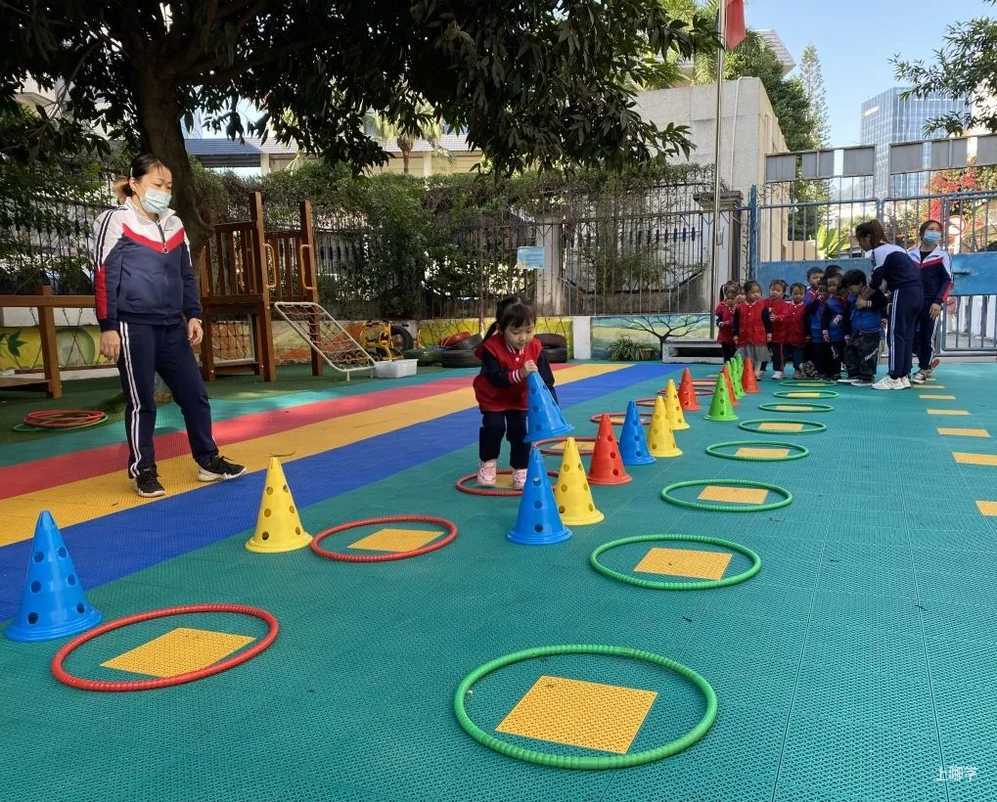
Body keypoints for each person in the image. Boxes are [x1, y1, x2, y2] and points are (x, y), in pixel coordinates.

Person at [94, 154, 245, 497]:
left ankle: (208, 460)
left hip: (171, 325)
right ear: (134, 184)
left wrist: (193, 314)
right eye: (157, 184)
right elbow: (103, 275)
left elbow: (186, 274)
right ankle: (144, 470)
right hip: (133, 325)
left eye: (168, 186)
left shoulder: (175, 224)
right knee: (141, 401)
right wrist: (108, 325)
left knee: (195, 395)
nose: (163, 191)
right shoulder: (116, 220)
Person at [472, 298, 556, 489]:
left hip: (519, 398)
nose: (523, 338)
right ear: (501, 329)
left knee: (519, 431)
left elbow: (546, 378)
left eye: (529, 331)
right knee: (494, 427)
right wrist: (521, 373)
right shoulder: (491, 348)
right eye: (516, 332)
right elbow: (495, 378)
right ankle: (488, 463)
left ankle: (521, 468)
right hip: (493, 397)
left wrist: (552, 403)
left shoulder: (535, 347)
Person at [854, 219, 923, 390]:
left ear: (867, 237)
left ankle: (893, 376)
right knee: (906, 335)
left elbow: (876, 281)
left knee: (895, 335)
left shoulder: (879, 251)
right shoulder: (896, 248)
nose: (860, 245)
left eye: (860, 240)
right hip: (917, 293)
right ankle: (903, 376)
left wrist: (862, 297)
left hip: (903, 292)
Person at [907, 220, 953, 384]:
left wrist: (938, 301)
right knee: (910, 336)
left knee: (926, 336)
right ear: (922, 233)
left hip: (931, 303)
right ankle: (907, 368)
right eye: (930, 229)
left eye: (937, 230)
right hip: (912, 302)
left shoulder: (942, 256)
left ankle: (924, 367)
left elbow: (948, 281)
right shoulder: (910, 255)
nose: (934, 232)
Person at [842, 269, 887, 386]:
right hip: (856, 330)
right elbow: (846, 314)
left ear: (860, 283)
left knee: (867, 354)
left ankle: (867, 377)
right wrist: (846, 332)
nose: (850, 290)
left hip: (870, 331)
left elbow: (883, 302)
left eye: (851, 287)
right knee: (851, 352)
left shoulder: (873, 292)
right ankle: (854, 374)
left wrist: (866, 303)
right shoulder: (851, 297)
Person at [733, 280, 771, 379]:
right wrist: (735, 334)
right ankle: (746, 371)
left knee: (758, 354)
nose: (756, 294)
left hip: (759, 335)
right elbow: (736, 322)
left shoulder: (763, 305)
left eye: (758, 292)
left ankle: (757, 372)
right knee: (744, 354)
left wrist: (769, 333)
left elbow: (767, 320)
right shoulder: (739, 307)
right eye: (753, 292)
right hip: (744, 335)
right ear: (746, 293)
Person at [822, 275, 848, 381]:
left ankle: (852, 373)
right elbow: (824, 317)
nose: (831, 288)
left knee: (847, 354)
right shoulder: (828, 302)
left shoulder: (847, 300)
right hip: (834, 334)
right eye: (829, 285)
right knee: (835, 354)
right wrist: (825, 330)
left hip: (846, 334)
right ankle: (835, 372)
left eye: (834, 285)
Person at [765, 279, 791, 380]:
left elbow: (785, 315)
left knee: (778, 354)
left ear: (783, 293)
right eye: (772, 289)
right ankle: (761, 369)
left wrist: (777, 317)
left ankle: (779, 371)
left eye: (778, 290)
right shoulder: (764, 302)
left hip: (779, 335)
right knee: (764, 352)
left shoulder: (784, 304)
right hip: (765, 334)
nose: (774, 292)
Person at [784, 282, 808, 376]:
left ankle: (797, 370)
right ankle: (780, 370)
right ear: (791, 294)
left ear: (805, 295)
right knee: (784, 354)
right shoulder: (786, 306)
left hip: (800, 336)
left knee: (798, 355)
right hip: (786, 336)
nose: (798, 296)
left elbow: (807, 322)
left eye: (801, 294)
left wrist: (807, 334)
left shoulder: (806, 307)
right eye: (795, 293)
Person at [715, 282, 739, 363]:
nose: (730, 301)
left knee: (735, 354)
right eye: (728, 298)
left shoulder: (739, 307)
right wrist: (720, 323)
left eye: (732, 299)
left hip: (735, 336)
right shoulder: (722, 306)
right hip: (725, 336)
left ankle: (735, 366)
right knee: (726, 354)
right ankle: (726, 366)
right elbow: (718, 319)